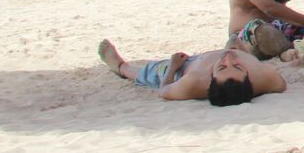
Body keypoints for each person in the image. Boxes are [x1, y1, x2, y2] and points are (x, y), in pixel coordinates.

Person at [97, 40, 284, 105]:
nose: (228, 60)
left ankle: (120, 67)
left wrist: (173, 67)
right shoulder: (267, 78)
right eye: (238, 66)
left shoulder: (194, 81)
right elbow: (282, 84)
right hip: (233, 51)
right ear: (249, 77)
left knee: (152, 72)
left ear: (211, 78)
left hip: (186, 66)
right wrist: (242, 54)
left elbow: (163, 91)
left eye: (221, 67)